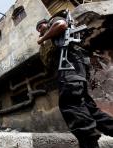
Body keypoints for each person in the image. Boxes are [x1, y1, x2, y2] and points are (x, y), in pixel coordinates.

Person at [36, 11, 113, 148]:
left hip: (69, 64)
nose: (40, 31)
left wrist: (42, 39)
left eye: (40, 28)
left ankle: (88, 144)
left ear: (45, 24)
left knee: (71, 102)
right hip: (74, 65)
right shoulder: (52, 37)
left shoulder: (54, 21)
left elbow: (61, 25)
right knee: (89, 108)